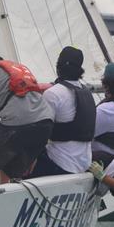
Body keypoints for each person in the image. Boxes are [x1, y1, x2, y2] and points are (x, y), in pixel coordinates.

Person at [0, 39, 54, 188]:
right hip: (46, 124)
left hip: (20, 125)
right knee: (5, 161)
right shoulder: (15, 67)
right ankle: (4, 191)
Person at [30, 46, 96, 177]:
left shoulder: (53, 94)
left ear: (58, 67)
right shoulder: (87, 93)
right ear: (80, 69)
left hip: (60, 164)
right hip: (84, 164)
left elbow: (38, 132)